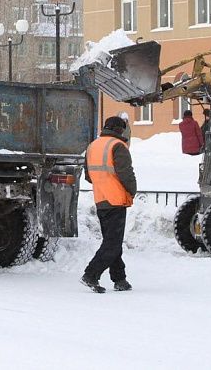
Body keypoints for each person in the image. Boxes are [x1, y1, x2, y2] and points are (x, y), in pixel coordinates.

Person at [81, 116, 137, 293]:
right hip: (116, 199)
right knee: (112, 244)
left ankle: (120, 279)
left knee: (111, 242)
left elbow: (89, 176)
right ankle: (91, 274)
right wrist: (132, 190)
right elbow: (126, 173)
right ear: (120, 130)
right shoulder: (118, 146)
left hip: (101, 200)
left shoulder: (93, 146)